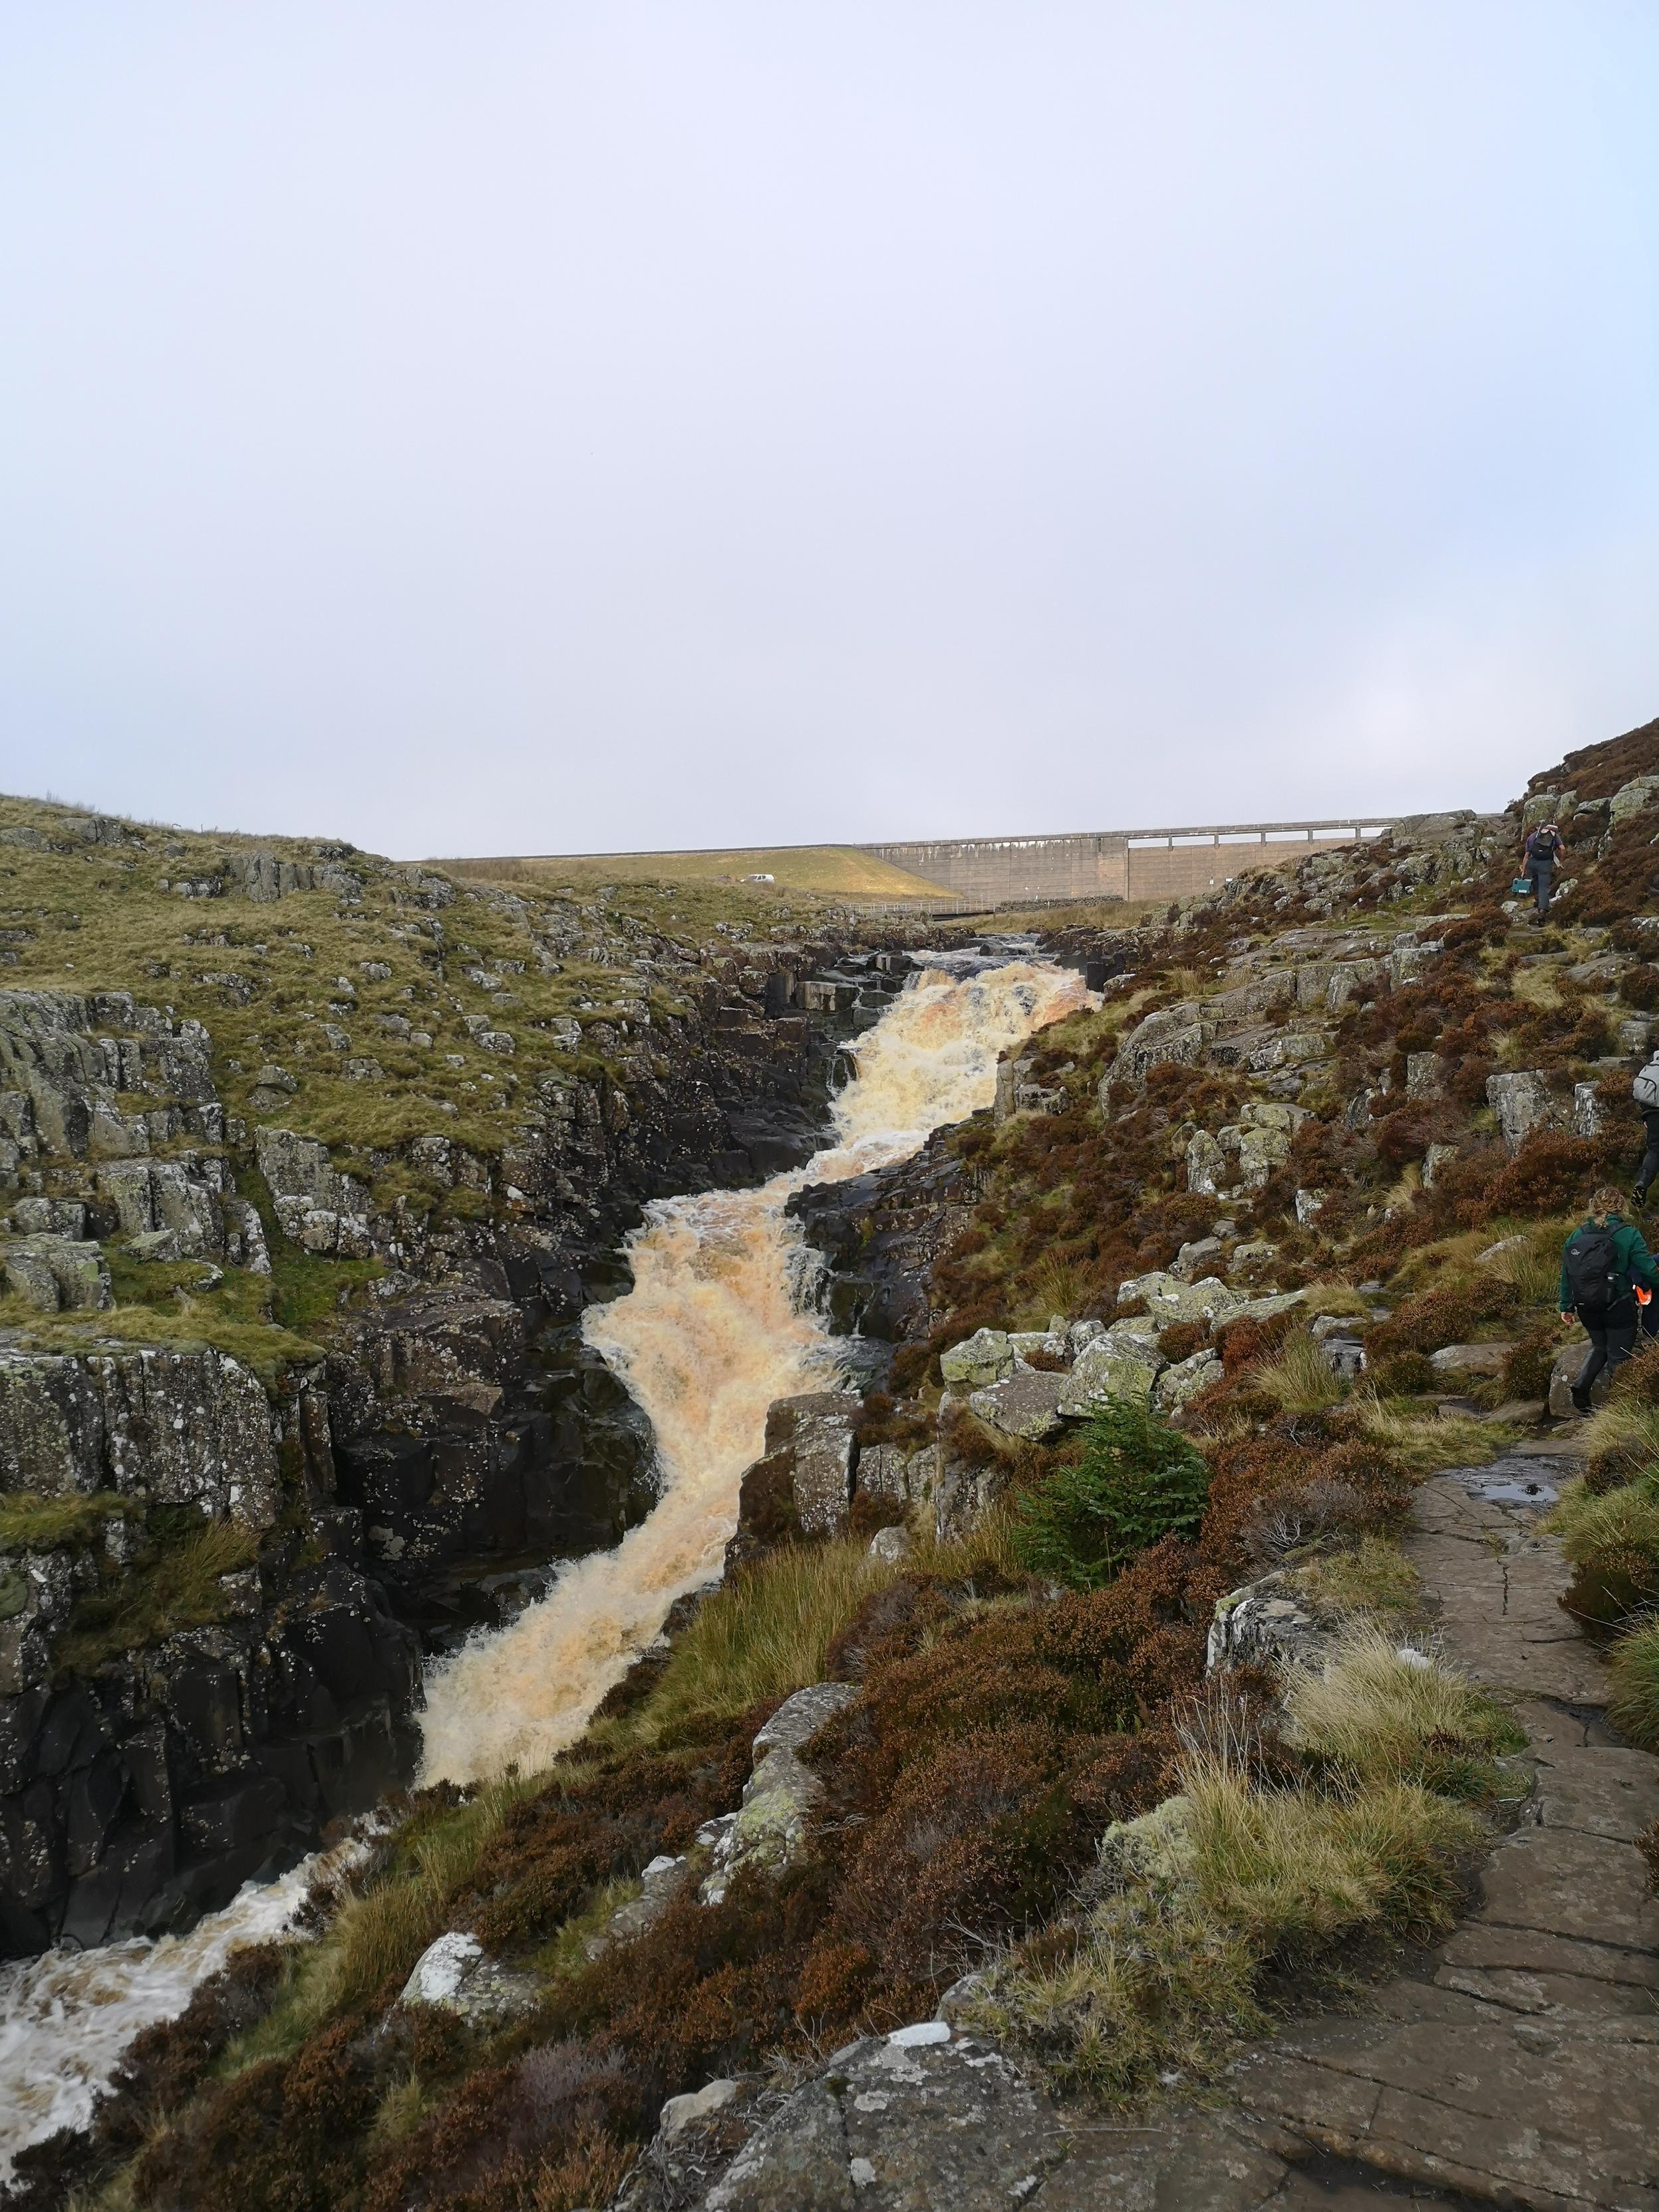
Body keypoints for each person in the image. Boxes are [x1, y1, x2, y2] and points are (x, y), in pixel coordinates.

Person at [1559, 1186, 1659, 1412]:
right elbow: (1649, 1270)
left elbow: (1567, 1271)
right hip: (1619, 1305)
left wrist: (1566, 1305)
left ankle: (1581, 1385)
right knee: (1619, 1356)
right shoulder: (1629, 1233)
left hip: (1586, 1306)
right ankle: (1619, 1411)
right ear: (1621, 1206)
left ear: (1594, 1206)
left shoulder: (1578, 1234)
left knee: (1599, 1346)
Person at [1520, 820, 1566, 923]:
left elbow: (1527, 855)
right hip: (1545, 864)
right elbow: (1562, 849)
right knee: (1543, 887)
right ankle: (1542, 911)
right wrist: (1561, 862)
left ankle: (1538, 901)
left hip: (1532, 863)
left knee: (1535, 882)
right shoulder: (1554, 836)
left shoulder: (1533, 837)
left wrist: (1523, 870)